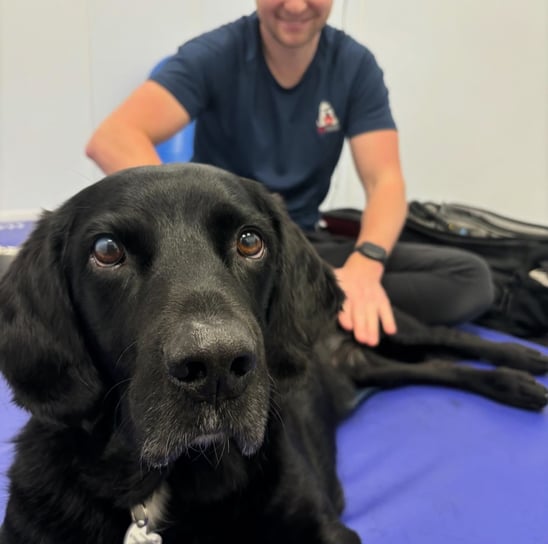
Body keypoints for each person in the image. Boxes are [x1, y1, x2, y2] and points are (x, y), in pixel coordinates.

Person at [86, 0, 494, 346]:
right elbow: (113, 138)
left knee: (470, 279)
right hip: (227, 252)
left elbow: (384, 180)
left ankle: (302, 316)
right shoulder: (214, 54)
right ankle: (315, 320)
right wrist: (180, 231)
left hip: (300, 243)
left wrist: (364, 267)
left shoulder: (354, 66)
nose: (296, 6)